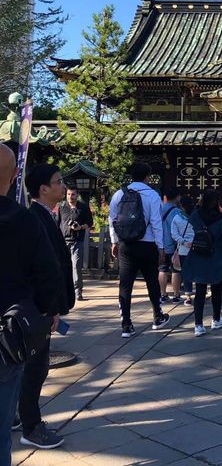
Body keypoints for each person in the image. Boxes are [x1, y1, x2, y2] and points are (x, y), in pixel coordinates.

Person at [0, 145, 61, 462]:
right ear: (12, 177)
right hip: (7, 335)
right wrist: (45, 310)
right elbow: (48, 276)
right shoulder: (24, 221)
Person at [21, 164, 75, 450]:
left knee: (31, 366)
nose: (62, 186)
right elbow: (42, 269)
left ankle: (20, 415)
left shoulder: (45, 216)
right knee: (36, 366)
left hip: (41, 305)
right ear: (43, 188)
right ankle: (31, 426)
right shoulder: (34, 219)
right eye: (58, 181)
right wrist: (50, 308)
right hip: (39, 307)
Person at [108, 163, 169, 338]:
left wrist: (114, 241)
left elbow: (112, 219)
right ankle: (158, 316)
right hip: (148, 243)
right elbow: (156, 222)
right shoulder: (152, 195)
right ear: (147, 177)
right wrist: (161, 246)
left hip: (126, 244)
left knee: (126, 284)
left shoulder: (120, 194)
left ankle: (126, 324)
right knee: (152, 281)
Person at [181, 189, 222, 337]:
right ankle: (216, 319)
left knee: (200, 291)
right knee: (217, 289)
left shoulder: (196, 215)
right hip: (216, 256)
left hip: (199, 255)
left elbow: (189, 234)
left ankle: (198, 325)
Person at [57, 186, 93, 301]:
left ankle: (78, 291)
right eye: (68, 194)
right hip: (63, 241)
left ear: (77, 195)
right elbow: (57, 223)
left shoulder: (83, 207)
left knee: (76, 266)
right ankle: (63, 290)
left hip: (77, 241)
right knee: (62, 266)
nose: (70, 197)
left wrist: (80, 227)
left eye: (73, 194)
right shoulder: (61, 207)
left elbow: (89, 223)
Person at [159, 188, 183, 304]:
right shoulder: (177, 212)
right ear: (177, 197)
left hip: (160, 245)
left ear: (165, 197)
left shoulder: (158, 210)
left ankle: (163, 294)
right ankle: (176, 295)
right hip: (173, 245)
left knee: (162, 269)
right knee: (175, 270)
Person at [170, 195, 195, 305]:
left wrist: (184, 242)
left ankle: (188, 296)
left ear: (181, 205)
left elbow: (174, 234)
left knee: (186, 273)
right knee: (197, 271)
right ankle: (200, 292)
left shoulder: (177, 218)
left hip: (184, 249)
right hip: (197, 248)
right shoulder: (196, 217)